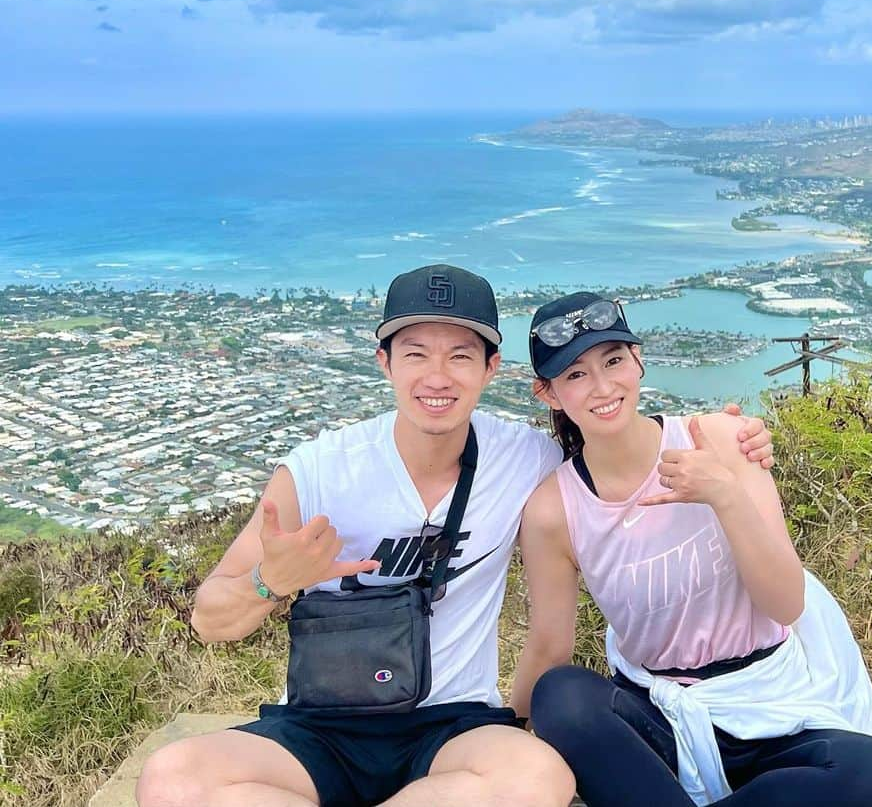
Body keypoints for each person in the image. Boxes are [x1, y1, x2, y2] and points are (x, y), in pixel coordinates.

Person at [136, 265, 775, 807]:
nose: (437, 377)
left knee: (538, 775)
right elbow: (210, 619)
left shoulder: (524, 461)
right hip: (318, 726)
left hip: (452, 726)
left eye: (460, 355)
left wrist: (725, 441)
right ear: (384, 361)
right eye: (415, 353)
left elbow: (617, 455)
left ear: (491, 368)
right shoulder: (317, 473)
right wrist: (269, 581)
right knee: (173, 776)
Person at [511, 291, 872, 807]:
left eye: (614, 360)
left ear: (638, 360)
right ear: (549, 394)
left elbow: (785, 604)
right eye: (575, 375)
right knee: (562, 695)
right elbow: (549, 647)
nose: (603, 387)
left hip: (767, 708)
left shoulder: (720, 439)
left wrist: (724, 494)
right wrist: (503, 728)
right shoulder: (556, 508)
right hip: (658, 716)